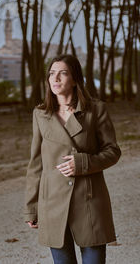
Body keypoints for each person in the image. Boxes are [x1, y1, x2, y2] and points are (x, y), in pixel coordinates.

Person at [24, 54, 121, 264]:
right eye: (51, 73)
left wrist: (83, 163)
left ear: (75, 79)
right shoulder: (40, 114)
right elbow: (36, 164)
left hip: (89, 200)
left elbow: (113, 151)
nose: (55, 79)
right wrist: (31, 207)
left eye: (63, 73)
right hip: (52, 203)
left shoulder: (95, 110)